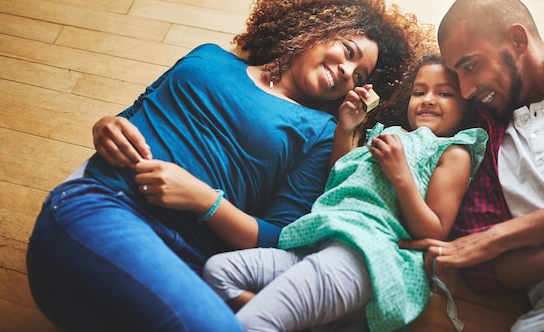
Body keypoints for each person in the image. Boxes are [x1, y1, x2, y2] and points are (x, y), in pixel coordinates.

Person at [25, 0, 438, 332]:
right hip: (109, 207)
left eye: (359, 76)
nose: (348, 73)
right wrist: (105, 127)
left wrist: (205, 200)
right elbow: (136, 114)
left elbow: (280, 236)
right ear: (318, 27)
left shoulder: (320, 133)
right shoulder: (207, 57)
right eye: (348, 52)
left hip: (184, 266)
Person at [202, 55, 488, 332]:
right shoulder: (388, 133)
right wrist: (346, 128)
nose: (427, 99)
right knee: (217, 272)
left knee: (255, 323)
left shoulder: (452, 150)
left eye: (445, 94)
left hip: (367, 256)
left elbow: (434, 230)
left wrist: (401, 176)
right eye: (419, 91)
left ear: (466, 106)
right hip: (322, 242)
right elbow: (340, 177)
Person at [404, 0, 544, 332]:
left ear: (517, 40)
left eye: (470, 66)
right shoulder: (483, 143)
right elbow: (481, 269)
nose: (466, 90)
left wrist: (500, 237)